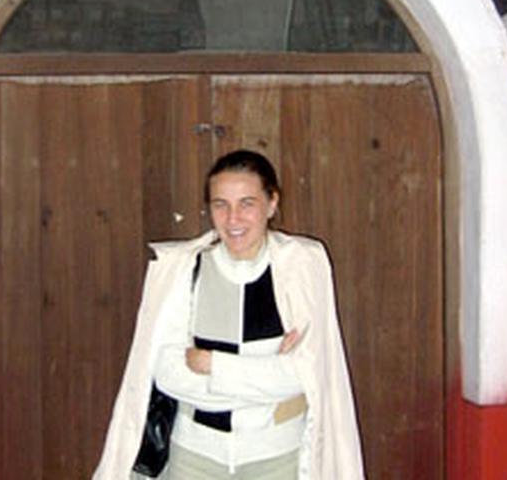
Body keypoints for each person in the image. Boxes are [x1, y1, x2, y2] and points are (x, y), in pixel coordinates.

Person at [95, 150, 364, 479]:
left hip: (278, 458)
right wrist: (267, 374)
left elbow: (303, 374)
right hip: (194, 457)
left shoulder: (301, 267)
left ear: (272, 203)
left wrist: (212, 364)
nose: (233, 219)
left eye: (247, 203)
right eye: (220, 205)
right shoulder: (185, 270)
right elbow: (168, 373)